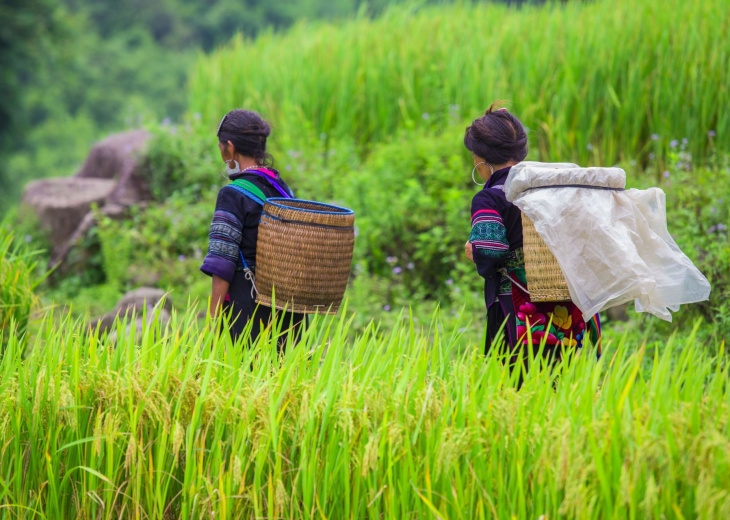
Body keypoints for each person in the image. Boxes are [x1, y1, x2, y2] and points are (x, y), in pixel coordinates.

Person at [463, 103, 600, 363]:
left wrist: (474, 251)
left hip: (519, 313)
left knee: (517, 388)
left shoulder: (490, 198)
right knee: (558, 386)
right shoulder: (555, 187)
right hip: (566, 310)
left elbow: (491, 250)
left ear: (481, 157)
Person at [200, 109, 306, 345]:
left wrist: (212, 324)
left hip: (247, 311)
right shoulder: (283, 190)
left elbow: (222, 262)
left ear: (229, 147)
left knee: (245, 378)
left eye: (221, 149)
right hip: (289, 312)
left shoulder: (233, 194)